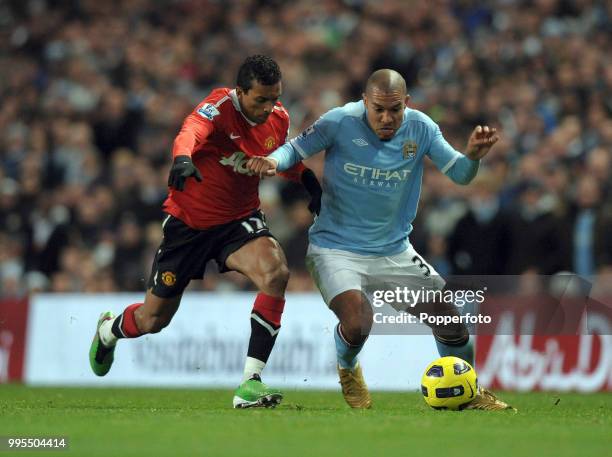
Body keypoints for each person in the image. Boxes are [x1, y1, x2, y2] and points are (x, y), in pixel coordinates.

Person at [247, 69, 512, 410]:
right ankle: (347, 368)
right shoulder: (340, 121)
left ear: (407, 104)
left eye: (395, 109)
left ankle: (469, 391)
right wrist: (272, 160)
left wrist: (473, 157)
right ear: (364, 102)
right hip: (335, 249)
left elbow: (460, 174)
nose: (387, 118)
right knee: (358, 322)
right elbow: (296, 149)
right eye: (379, 109)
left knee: (451, 321)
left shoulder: (422, 127)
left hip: (394, 251)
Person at [89, 55, 322, 409]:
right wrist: (183, 159)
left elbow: (277, 159)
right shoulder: (218, 106)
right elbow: (190, 131)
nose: (269, 107)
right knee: (153, 320)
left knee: (276, 273)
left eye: (275, 98)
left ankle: (249, 383)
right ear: (240, 92)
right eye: (261, 99)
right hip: (190, 226)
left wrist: (307, 180)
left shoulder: (278, 118)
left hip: (238, 221)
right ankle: (109, 330)